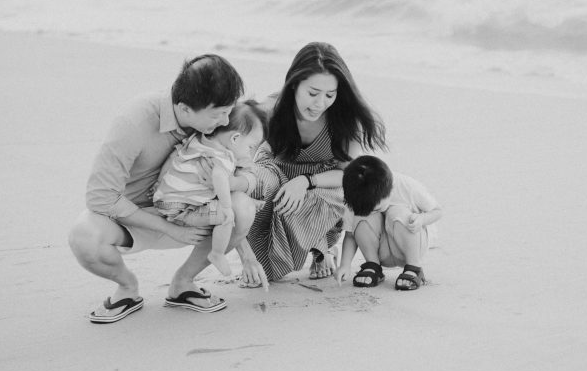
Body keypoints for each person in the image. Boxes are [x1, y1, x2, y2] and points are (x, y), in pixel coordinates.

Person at [68, 54, 267, 324]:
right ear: (185, 109)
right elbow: (100, 197)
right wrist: (168, 228)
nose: (224, 121)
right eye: (218, 114)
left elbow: (249, 167)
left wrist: (246, 254)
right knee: (83, 236)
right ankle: (127, 288)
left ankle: (183, 284)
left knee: (242, 206)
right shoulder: (134, 121)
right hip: (134, 220)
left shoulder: (217, 118)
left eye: (228, 112)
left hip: (194, 212)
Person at [246, 42, 386, 282]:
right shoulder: (273, 108)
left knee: (323, 198)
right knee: (253, 183)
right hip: (276, 172)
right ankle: (255, 256)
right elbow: (239, 147)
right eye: (312, 93)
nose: (320, 103)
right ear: (294, 84)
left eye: (329, 95)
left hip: (322, 184)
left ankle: (322, 247)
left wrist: (305, 181)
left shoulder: (345, 119)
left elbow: (350, 175)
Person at [153, 101, 267, 279]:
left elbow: (174, 156)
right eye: (251, 147)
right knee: (226, 217)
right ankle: (217, 253)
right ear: (235, 138)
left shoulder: (198, 140)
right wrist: (228, 208)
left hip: (164, 198)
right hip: (181, 210)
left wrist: (159, 182)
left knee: (216, 196)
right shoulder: (223, 157)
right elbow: (221, 180)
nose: (249, 154)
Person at [335, 155, 442, 291]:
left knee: (397, 212)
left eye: (377, 208)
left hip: (408, 245)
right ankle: (373, 265)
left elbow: (437, 211)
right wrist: (345, 265)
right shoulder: (357, 196)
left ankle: (413, 268)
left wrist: (421, 219)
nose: (373, 210)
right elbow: (350, 234)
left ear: (390, 189)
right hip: (382, 250)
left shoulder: (406, 186)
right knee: (361, 217)